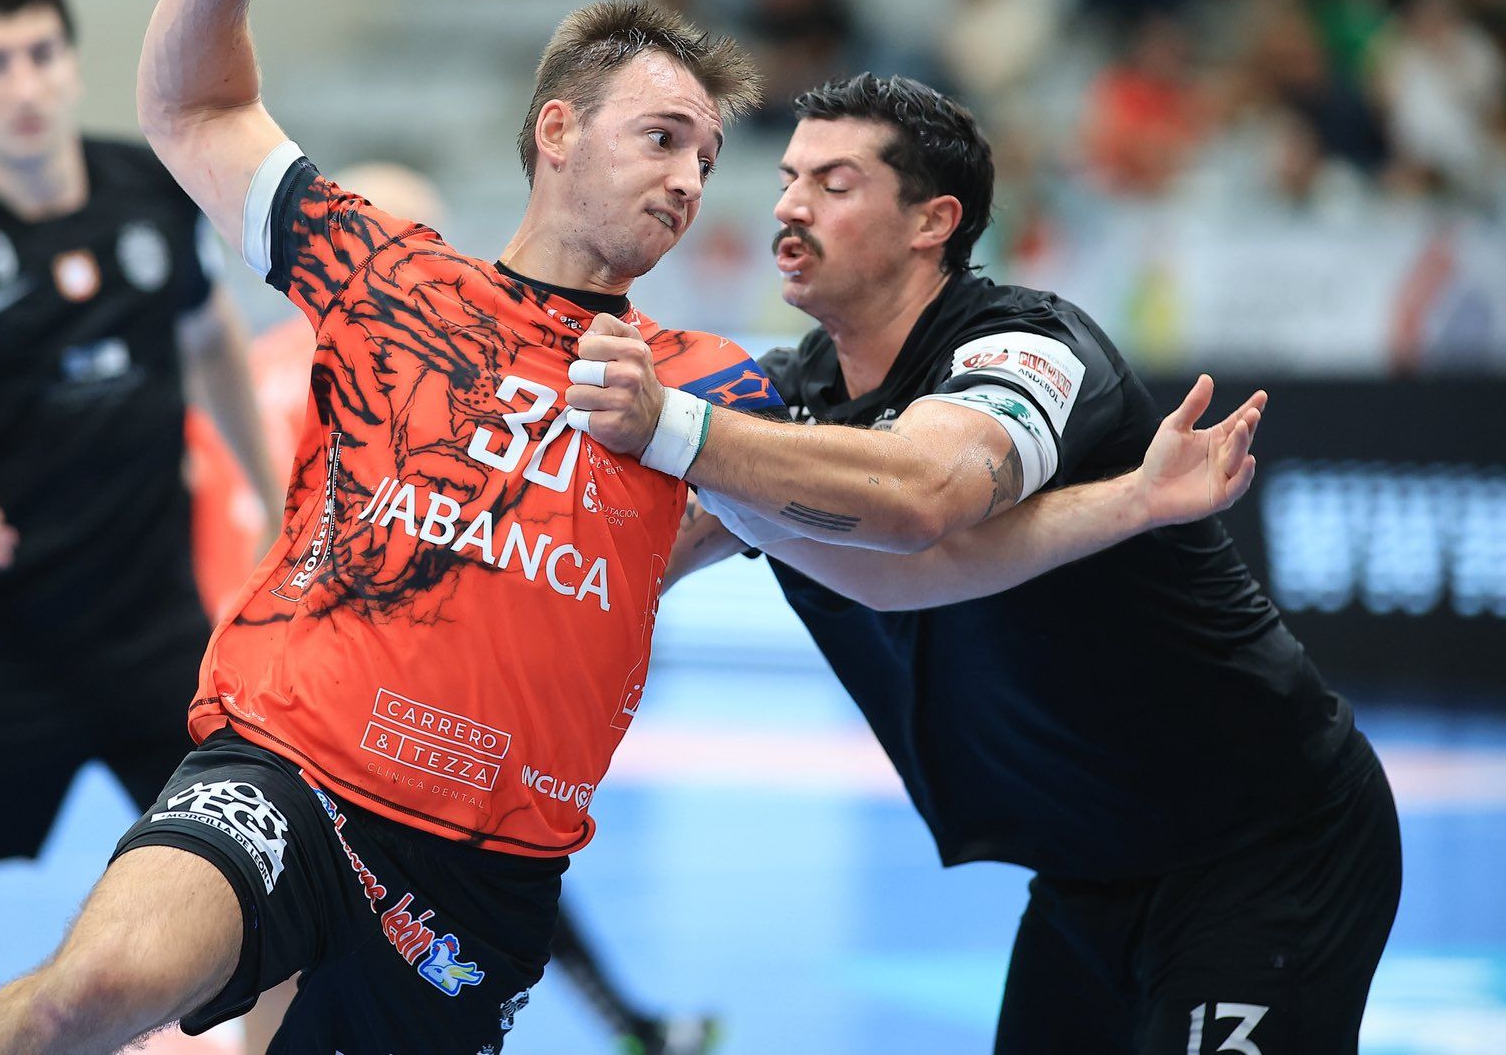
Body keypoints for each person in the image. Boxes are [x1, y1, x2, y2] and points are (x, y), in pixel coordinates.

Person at [0, 0, 1254, 1055]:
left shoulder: (711, 390)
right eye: (661, 137)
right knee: (103, 983)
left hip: (480, 870)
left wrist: (1128, 503)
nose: (692, 178)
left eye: (706, 153)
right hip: (290, 769)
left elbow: (903, 563)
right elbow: (195, 110)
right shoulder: (387, 273)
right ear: (558, 133)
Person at [575, 73, 1400, 1054]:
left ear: (933, 220)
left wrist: (672, 425)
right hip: (1085, 866)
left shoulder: (1029, 347)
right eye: (790, 176)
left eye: (834, 184)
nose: (789, 205)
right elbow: (636, 558)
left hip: (1264, 844)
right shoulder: (788, 401)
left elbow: (923, 497)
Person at [0, 0, 281, 1055]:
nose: (22, 83)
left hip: (156, 640)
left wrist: (273, 497)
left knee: (278, 923)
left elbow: (211, 338)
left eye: (40, 54)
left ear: (73, 66)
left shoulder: (148, 190)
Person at [188, 161, 723, 1055]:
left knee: (341, 923)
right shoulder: (374, 378)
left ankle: (629, 1018)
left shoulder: (303, 369)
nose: (435, 262)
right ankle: (631, 1021)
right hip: (316, 698)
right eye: (413, 238)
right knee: (324, 926)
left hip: (318, 686)